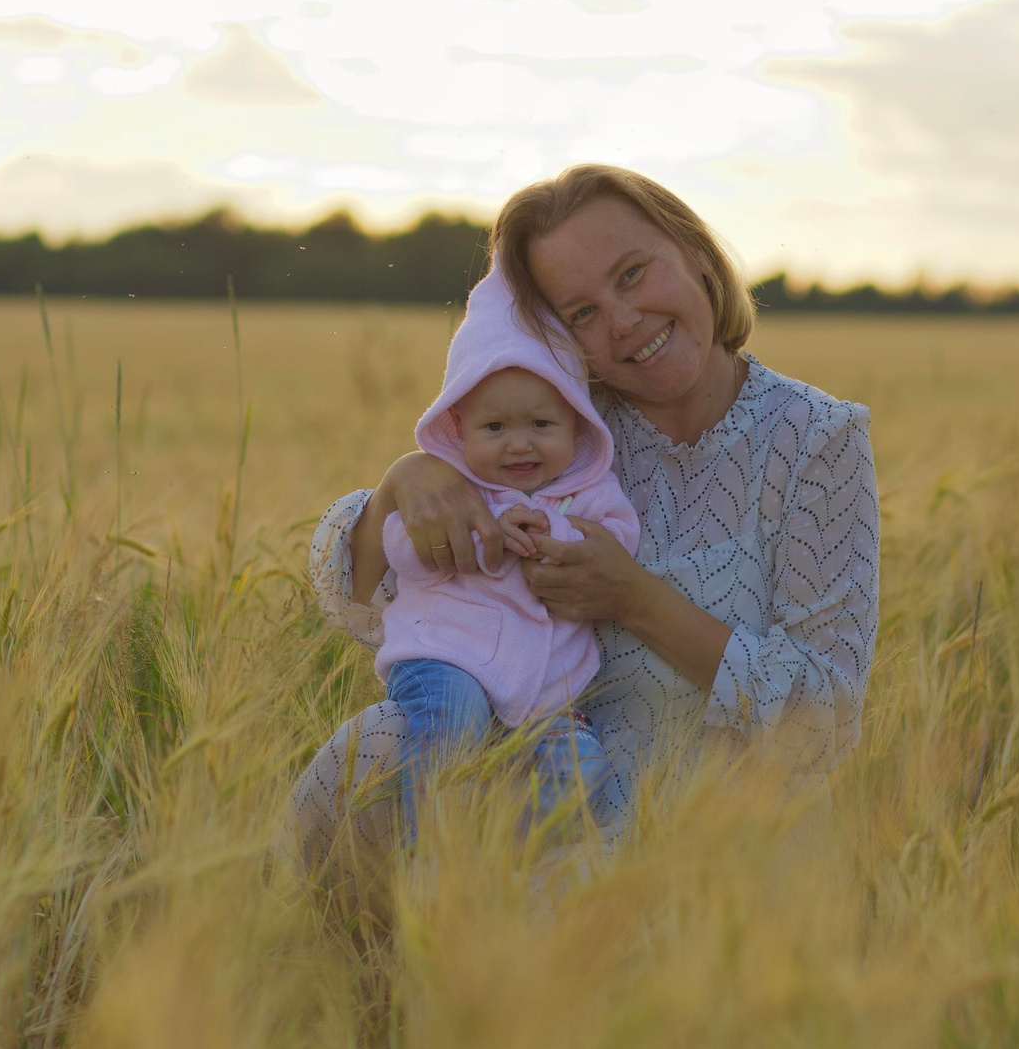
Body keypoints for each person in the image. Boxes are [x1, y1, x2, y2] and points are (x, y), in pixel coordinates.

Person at [292, 163, 879, 862]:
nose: (623, 322)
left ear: (694, 251)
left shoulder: (817, 437)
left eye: (632, 274)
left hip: (730, 837)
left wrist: (635, 600)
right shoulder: (559, 429)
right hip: (547, 800)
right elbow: (355, 595)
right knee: (375, 747)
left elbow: (826, 718)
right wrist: (402, 483)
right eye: (581, 314)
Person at [367, 267, 642, 840]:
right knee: (450, 728)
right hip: (447, 658)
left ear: (576, 423)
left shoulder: (590, 491)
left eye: (541, 424)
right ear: (458, 427)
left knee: (583, 769)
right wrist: (483, 532)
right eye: (494, 427)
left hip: (549, 690)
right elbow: (402, 549)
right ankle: (437, 859)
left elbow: (617, 543)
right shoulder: (453, 487)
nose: (519, 444)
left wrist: (551, 533)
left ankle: (510, 861)